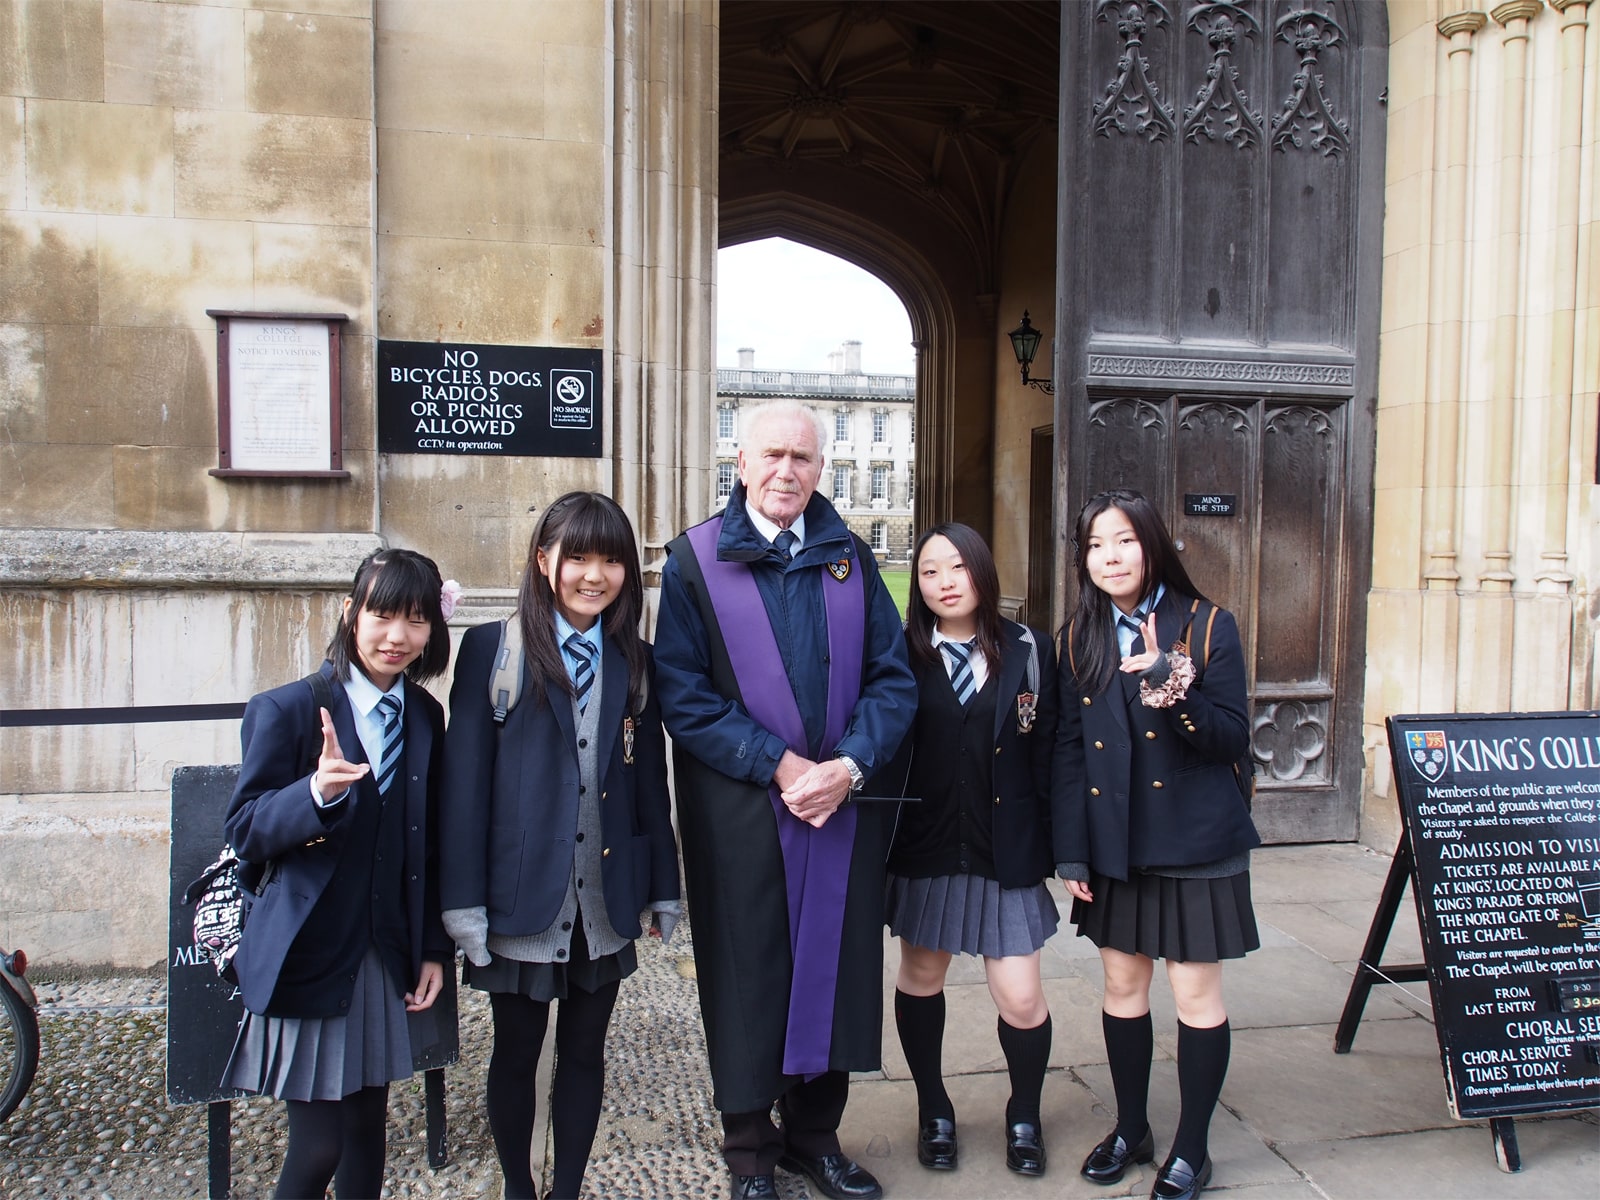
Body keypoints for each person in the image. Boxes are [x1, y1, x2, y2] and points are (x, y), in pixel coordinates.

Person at [655, 401, 917, 1200]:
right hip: (741, 813)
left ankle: (814, 1138)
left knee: (832, 967)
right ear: (740, 462)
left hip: (837, 805)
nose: (786, 471)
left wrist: (850, 766)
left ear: (821, 468)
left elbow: (893, 679)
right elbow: (682, 693)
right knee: (747, 972)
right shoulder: (695, 561)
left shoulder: (851, 559)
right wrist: (777, 764)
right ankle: (749, 1154)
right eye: (771, 455)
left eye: (802, 458)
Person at [439, 491, 680, 1200]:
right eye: (578, 557)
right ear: (544, 561)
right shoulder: (494, 649)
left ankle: (567, 1188)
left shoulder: (636, 662)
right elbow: (464, 788)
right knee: (515, 1054)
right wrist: (462, 903)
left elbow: (650, 785)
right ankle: (520, 1186)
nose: (594, 575)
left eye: (611, 560)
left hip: (604, 899)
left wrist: (663, 886)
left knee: (585, 1053)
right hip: (520, 895)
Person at [222, 548, 456, 1200]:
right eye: (382, 615)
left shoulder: (425, 716)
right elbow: (244, 829)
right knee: (319, 1146)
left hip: (382, 955)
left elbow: (426, 845)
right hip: (311, 952)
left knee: (366, 1135)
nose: (397, 636)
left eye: (416, 619)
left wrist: (433, 949)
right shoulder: (289, 710)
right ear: (351, 612)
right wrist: (315, 794)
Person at [1051, 489, 1261, 1200]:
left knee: (1195, 994)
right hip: (1117, 844)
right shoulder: (1076, 638)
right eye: (1095, 545)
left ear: (1152, 546)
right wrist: (1071, 849)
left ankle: (1192, 1149)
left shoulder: (1208, 625)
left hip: (1196, 840)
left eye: (1124, 541)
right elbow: (1068, 751)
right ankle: (1132, 1128)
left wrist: (1174, 685)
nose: (1109, 557)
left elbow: (1232, 739)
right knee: (1122, 987)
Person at [885, 523, 1059, 1177]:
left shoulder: (1029, 650)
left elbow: (1053, 754)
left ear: (982, 571)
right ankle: (933, 1108)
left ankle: (1025, 1113)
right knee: (921, 977)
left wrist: (1066, 852)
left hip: (1004, 850)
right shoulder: (899, 653)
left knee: (1021, 996)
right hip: (927, 844)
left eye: (958, 567)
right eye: (930, 571)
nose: (945, 582)